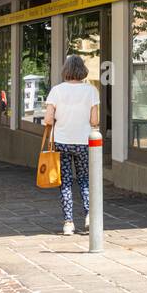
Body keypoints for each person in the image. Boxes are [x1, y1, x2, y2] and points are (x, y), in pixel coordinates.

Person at [43, 55, 100, 235]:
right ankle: (89, 215)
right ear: (82, 70)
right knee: (84, 179)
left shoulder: (56, 91)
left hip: (62, 142)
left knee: (65, 182)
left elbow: (48, 119)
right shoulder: (91, 91)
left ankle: (68, 223)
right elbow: (94, 120)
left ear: (66, 70)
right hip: (84, 142)